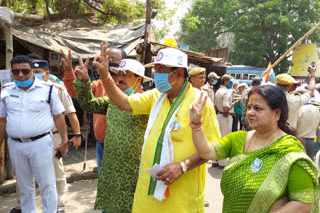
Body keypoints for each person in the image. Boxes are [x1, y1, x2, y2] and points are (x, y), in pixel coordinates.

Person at [93, 46, 220, 212]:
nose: (156, 75)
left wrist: (183, 166)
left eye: (161, 70)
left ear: (179, 73)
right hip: (148, 193)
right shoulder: (155, 96)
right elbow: (124, 102)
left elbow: (215, 148)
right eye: (155, 70)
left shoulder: (201, 102)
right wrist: (105, 76)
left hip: (181, 197)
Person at [189, 85, 319, 213]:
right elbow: (206, 151)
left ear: (276, 114)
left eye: (258, 108)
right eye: (249, 107)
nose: (250, 112)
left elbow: (303, 202)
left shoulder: (289, 150)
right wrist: (196, 124)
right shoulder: (238, 139)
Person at [73, 54, 150, 212]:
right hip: (112, 167)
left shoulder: (147, 101)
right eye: (118, 74)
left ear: (139, 79)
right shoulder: (111, 100)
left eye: (125, 75)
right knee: (110, 205)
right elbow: (88, 103)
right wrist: (83, 82)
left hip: (135, 170)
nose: (119, 79)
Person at [0, 55, 71, 213]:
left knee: (47, 183)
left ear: (32, 71)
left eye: (25, 71)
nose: (20, 75)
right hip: (15, 144)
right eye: (16, 71)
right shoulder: (5, 91)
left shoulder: (49, 89)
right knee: (24, 185)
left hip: (41, 144)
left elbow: (59, 116)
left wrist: (65, 141)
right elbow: (2, 121)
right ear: (12, 72)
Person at [60, 48, 125, 173]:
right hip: (100, 144)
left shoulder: (127, 86)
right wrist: (69, 72)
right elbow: (76, 93)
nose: (108, 61)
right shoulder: (99, 84)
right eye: (106, 58)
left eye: (113, 59)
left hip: (119, 146)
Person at [32, 59, 81, 212]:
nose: (33, 75)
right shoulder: (23, 89)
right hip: (29, 138)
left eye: (37, 73)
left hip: (52, 135)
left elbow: (71, 113)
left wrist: (77, 134)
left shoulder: (57, 88)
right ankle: (23, 203)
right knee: (28, 171)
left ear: (46, 73)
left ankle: (60, 198)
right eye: (31, 72)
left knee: (55, 167)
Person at [214, 74, 239, 168]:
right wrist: (234, 104)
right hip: (225, 117)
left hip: (219, 116)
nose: (231, 83)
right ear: (226, 82)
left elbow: (215, 106)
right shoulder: (227, 92)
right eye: (230, 82)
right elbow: (226, 108)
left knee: (218, 138)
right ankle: (223, 162)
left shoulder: (218, 91)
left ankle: (215, 160)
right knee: (224, 139)